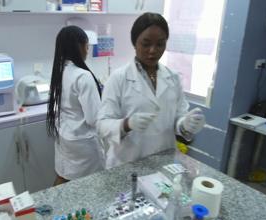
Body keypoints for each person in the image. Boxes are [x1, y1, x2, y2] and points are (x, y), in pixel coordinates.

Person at [97, 13, 206, 169]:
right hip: (127, 163)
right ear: (135, 43)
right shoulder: (118, 78)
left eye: (160, 44)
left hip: (164, 161)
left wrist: (186, 124)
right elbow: (102, 125)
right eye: (146, 44)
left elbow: (178, 118)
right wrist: (127, 124)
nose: (153, 50)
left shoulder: (173, 78)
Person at [47, 25, 104, 185]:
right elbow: (94, 119)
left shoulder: (60, 71)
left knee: (63, 177)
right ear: (79, 46)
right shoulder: (83, 76)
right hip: (82, 141)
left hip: (65, 136)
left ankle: (55, 207)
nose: (87, 50)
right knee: (87, 186)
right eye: (87, 46)